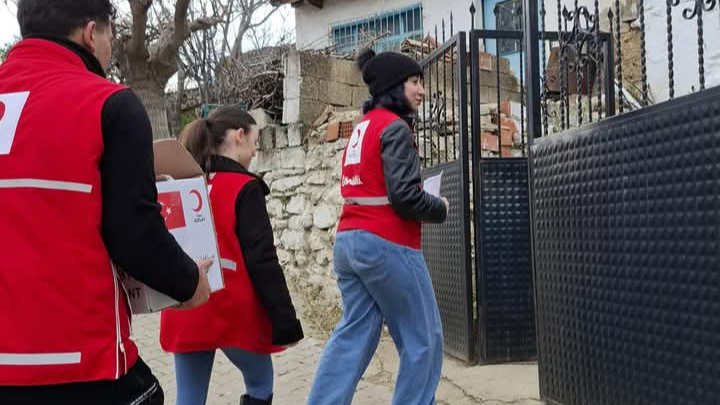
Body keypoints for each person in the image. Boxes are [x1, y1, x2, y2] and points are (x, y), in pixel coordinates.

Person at [0, 1, 212, 405]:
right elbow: (135, 234)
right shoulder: (108, 104)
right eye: (111, 38)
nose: (110, 49)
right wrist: (190, 281)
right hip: (78, 365)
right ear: (89, 33)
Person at [306, 49, 449, 405]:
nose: (422, 91)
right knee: (423, 340)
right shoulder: (395, 128)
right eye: (415, 82)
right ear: (394, 86)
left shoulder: (363, 128)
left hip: (349, 243)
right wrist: (440, 207)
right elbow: (404, 198)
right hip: (387, 244)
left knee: (354, 334)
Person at [160, 107, 304, 405]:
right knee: (261, 382)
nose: (255, 150)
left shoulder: (182, 183)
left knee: (188, 398)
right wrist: (285, 322)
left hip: (185, 302)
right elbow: (263, 262)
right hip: (229, 310)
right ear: (239, 136)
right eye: (255, 140)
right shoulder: (245, 187)